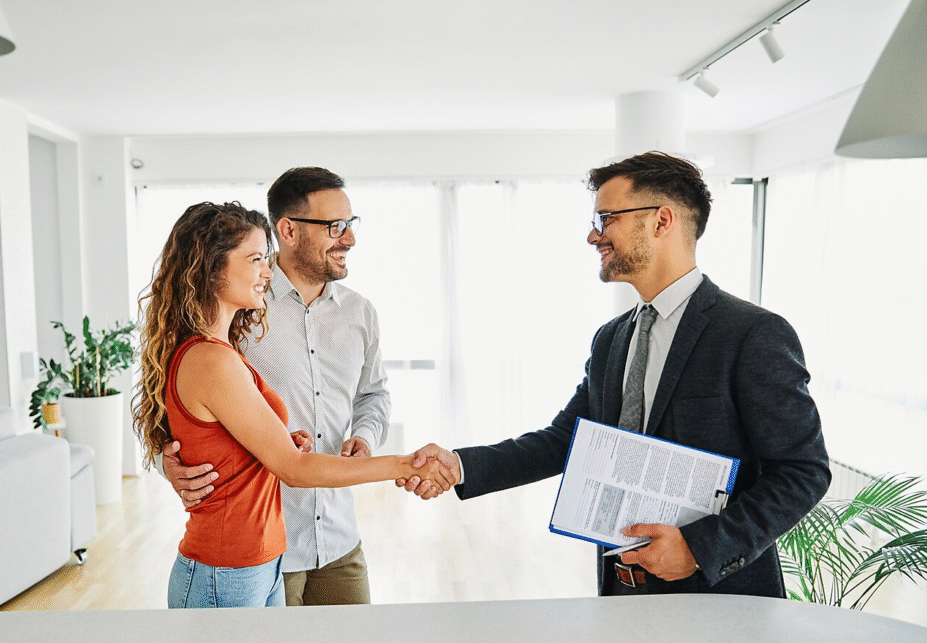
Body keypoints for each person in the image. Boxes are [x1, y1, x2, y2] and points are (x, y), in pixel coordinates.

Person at [402, 151, 830, 598]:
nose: (593, 235)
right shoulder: (611, 339)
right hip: (622, 588)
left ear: (661, 221)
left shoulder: (753, 334)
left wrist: (699, 548)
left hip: (719, 593)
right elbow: (566, 439)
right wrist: (461, 465)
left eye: (606, 219)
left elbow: (804, 470)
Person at [132, 201, 452, 608]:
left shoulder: (223, 349)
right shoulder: (213, 359)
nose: (267, 271)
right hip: (227, 569)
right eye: (255, 259)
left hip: (262, 558)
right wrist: (403, 465)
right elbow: (294, 469)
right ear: (212, 269)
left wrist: (279, 438)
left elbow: (236, 441)